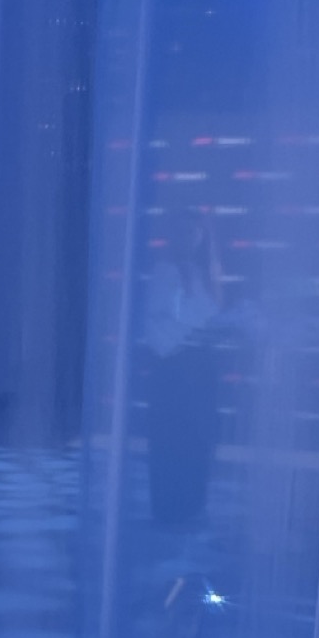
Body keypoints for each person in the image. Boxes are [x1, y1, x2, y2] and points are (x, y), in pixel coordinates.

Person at [143, 209, 223, 527]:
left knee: (196, 440)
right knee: (172, 441)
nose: (190, 239)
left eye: (195, 233)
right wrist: (192, 326)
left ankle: (191, 507)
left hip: (198, 370)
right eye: (184, 232)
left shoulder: (200, 272)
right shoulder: (164, 272)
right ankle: (170, 510)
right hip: (173, 370)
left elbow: (209, 312)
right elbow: (160, 327)